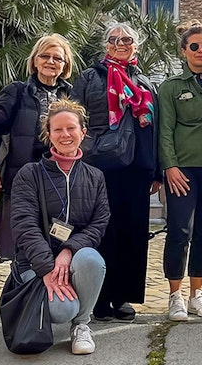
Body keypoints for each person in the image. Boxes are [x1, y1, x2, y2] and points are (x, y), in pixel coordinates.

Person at [70, 22, 160, 322]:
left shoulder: (146, 83)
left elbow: (155, 129)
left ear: (137, 45)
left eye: (128, 39)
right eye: (115, 39)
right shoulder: (89, 77)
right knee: (101, 231)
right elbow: (75, 117)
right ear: (106, 45)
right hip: (100, 166)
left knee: (133, 234)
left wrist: (155, 170)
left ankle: (123, 296)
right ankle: (99, 296)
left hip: (137, 168)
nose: (121, 43)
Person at [10, 99, 109, 356]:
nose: (65, 135)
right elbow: (24, 225)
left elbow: (99, 224)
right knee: (62, 310)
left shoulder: (95, 177)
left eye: (71, 128)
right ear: (48, 135)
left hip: (73, 259)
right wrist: (46, 268)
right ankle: (62, 306)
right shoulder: (29, 174)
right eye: (58, 130)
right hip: (35, 264)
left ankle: (82, 325)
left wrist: (67, 251)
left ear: (82, 132)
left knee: (90, 258)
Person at [0, 35, 75, 259]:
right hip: (20, 181)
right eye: (45, 56)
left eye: (57, 58)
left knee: (55, 249)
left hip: (59, 183)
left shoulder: (71, 96)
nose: (51, 62)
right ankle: (20, 292)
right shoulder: (16, 92)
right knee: (19, 251)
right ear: (35, 61)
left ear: (65, 64)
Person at [157, 20, 202, 321]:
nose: (200, 51)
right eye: (194, 46)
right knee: (179, 231)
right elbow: (165, 130)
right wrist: (169, 165)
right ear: (183, 51)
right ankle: (175, 295)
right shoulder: (171, 87)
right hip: (183, 168)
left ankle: (197, 294)